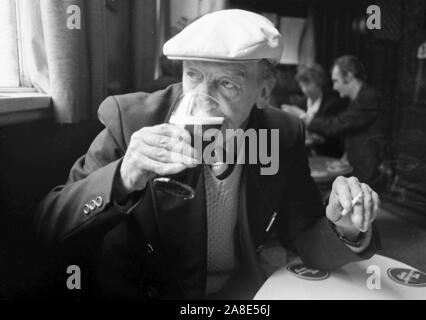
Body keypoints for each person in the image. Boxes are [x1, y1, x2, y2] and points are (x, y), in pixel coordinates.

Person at [35, 10, 380, 300]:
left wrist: (343, 226)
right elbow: (50, 221)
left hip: (240, 296)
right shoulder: (132, 119)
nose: (202, 99)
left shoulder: (281, 134)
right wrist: (123, 176)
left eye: (227, 84)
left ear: (263, 91)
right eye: (193, 76)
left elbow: (303, 232)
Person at [305, 55, 387, 188]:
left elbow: (337, 124)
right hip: (359, 168)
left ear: (348, 76)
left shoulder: (369, 98)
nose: (334, 87)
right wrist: (347, 156)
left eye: (336, 81)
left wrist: (305, 119)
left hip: (367, 173)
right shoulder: (358, 99)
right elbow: (356, 132)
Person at [281, 63, 348, 157]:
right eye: (302, 85)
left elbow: (335, 136)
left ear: (319, 83)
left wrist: (317, 137)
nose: (304, 89)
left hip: (327, 156)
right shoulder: (299, 104)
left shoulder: (334, 104)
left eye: (308, 84)